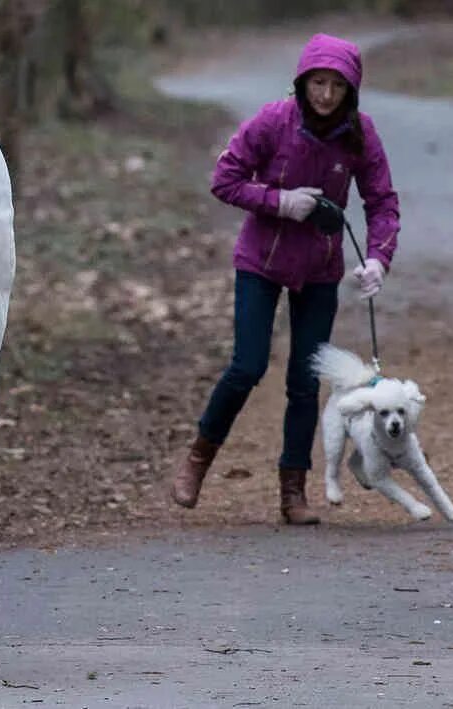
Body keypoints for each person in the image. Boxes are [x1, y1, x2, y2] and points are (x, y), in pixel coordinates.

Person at [170, 33, 400, 524]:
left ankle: (292, 491)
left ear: (350, 90)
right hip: (260, 261)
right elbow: (225, 179)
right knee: (247, 366)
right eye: (318, 82)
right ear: (302, 82)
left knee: (304, 381)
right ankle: (197, 459)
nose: (325, 95)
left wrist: (378, 258)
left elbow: (381, 201)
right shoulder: (273, 122)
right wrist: (281, 201)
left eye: (337, 86)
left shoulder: (360, 133)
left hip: (319, 270)